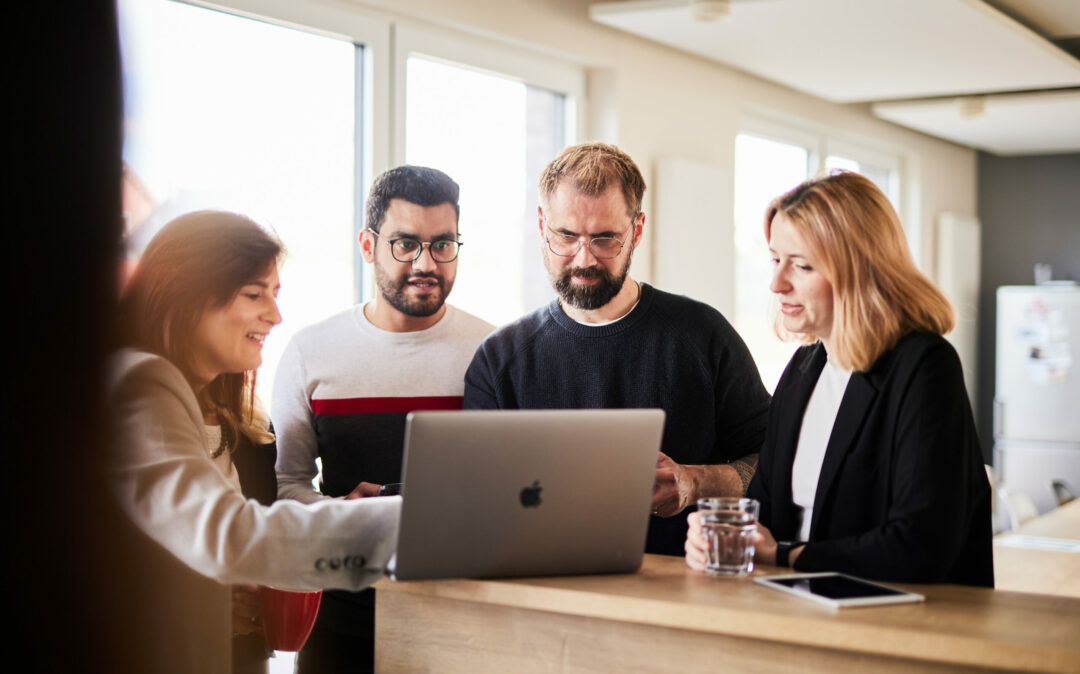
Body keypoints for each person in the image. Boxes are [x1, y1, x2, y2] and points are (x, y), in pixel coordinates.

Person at [109, 211, 402, 674]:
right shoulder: (140, 383)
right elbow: (227, 536)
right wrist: (406, 523)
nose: (275, 314)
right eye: (254, 293)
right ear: (186, 293)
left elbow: (210, 541)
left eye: (275, 293)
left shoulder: (234, 417)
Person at [685, 171, 993, 586]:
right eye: (776, 260)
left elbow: (920, 545)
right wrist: (722, 535)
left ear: (862, 270)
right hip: (803, 615)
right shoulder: (803, 370)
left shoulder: (925, 366)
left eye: (802, 265)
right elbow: (764, 510)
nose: (777, 283)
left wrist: (783, 555)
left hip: (902, 628)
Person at [464, 142, 770, 556]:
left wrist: (694, 482)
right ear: (541, 225)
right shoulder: (500, 359)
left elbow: (775, 462)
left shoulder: (702, 334)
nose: (583, 259)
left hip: (682, 591)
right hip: (541, 588)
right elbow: (477, 499)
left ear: (637, 231)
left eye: (605, 238)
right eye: (566, 236)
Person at [272, 165, 494, 673]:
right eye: (404, 244)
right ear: (367, 245)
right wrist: (340, 511)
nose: (426, 263)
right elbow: (287, 485)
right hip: (340, 615)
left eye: (443, 244)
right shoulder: (311, 352)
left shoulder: (493, 351)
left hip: (462, 615)